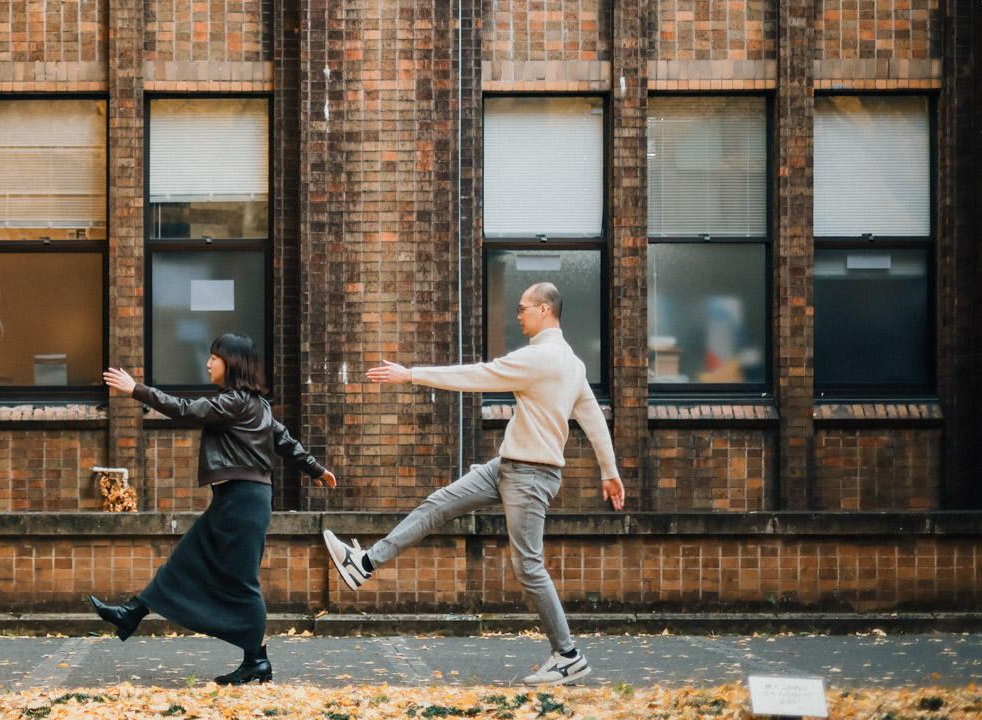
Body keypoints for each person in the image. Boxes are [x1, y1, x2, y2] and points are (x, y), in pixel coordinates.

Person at [321, 282, 622, 686]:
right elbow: (593, 418)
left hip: (531, 476)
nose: (518, 315)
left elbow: (479, 375)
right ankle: (365, 564)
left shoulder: (543, 357)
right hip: (507, 466)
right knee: (438, 504)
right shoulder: (571, 362)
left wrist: (411, 374)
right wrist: (610, 471)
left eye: (523, 308)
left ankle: (567, 655)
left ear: (546, 311)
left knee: (528, 565)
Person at [90, 333, 336, 686]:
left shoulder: (236, 402)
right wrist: (315, 469)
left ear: (231, 364)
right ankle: (132, 612)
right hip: (233, 499)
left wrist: (137, 390)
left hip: (244, 500)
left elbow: (187, 410)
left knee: (241, 580)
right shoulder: (255, 405)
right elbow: (284, 441)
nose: (208, 363)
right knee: (187, 558)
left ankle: (257, 660)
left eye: (215, 358)